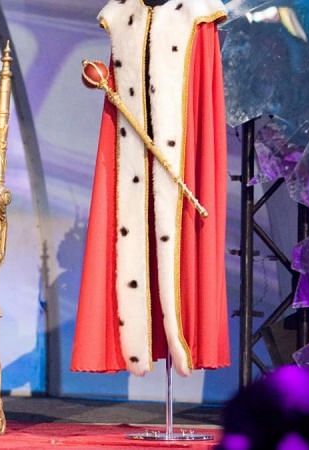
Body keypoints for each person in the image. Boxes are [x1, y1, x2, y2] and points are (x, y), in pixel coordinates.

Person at [71, 0, 230, 377]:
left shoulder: (197, 15)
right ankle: (136, 346)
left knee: (179, 251)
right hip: (132, 162)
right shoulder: (121, 17)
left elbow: (201, 100)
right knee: (130, 242)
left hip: (181, 160)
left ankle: (185, 339)